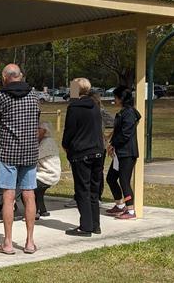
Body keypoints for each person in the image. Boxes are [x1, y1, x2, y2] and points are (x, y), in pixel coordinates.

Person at [0, 63, 39, 255]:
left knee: (8, 197)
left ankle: (7, 243)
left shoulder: (1, 96)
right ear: (20, 76)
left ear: (5, 77)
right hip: (30, 151)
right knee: (29, 195)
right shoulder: (34, 95)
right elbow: (37, 118)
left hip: (8, 152)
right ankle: (30, 242)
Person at [61, 78, 105, 237]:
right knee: (94, 189)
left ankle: (85, 226)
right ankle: (95, 224)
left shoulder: (74, 107)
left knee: (82, 190)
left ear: (76, 90)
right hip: (98, 151)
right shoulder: (95, 105)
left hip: (81, 152)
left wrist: (65, 145)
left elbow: (69, 130)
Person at [106, 86, 142, 220]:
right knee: (111, 178)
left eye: (115, 97)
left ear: (121, 98)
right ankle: (119, 205)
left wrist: (113, 144)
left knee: (124, 181)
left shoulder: (129, 113)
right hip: (119, 153)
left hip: (127, 153)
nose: (114, 100)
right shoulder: (123, 112)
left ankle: (131, 210)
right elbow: (119, 131)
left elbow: (125, 134)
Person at [35, 122, 61, 219]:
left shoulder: (47, 142)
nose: (35, 130)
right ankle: (41, 210)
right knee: (36, 189)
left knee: (25, 186)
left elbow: (34, 157)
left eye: (38, 128)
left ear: (45, 131)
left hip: (48, 175)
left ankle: (33, 212)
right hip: (43, 173)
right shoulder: (42, 141)